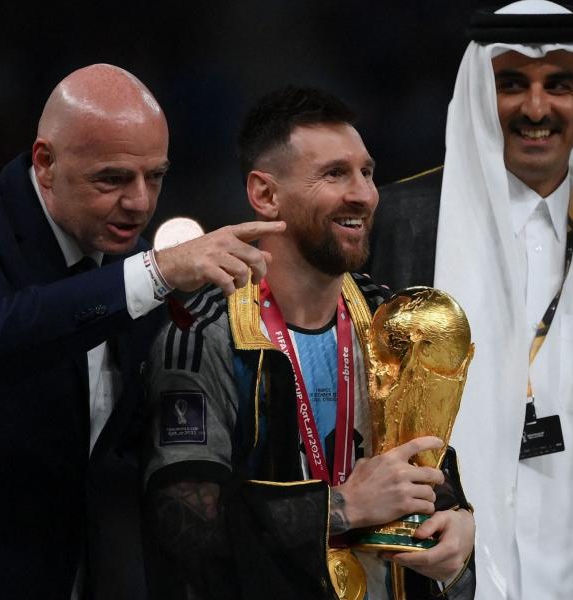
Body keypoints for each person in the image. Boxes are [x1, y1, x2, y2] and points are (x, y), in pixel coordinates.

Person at [0, 64, 284, 600]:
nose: (140, 202)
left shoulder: (117, 267)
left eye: (155, 176)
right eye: (113, 178)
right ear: (45, 163)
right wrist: (157, 272)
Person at [367, 2, 573, 599]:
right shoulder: (401, 221)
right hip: (427, 583)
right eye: (512, 84)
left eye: (559, 85)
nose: (536, 109)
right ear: (481, 93)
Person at [143, 86, 475, 600]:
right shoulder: (203, 334)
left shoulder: (393, 321)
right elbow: (186, 524)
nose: (363, 194)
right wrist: (342, 506)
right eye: (335, 173)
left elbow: (431, 470)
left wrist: (459, 523)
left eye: (366, 172)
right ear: (265, 194)